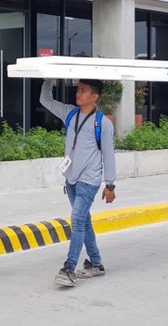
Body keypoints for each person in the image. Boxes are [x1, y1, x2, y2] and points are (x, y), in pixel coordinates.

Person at [40, 78, 116, 287]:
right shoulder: (70, 113)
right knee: (84, 221)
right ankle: (96, 264)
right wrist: (48, 81)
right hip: (71, 179)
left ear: (95, 96)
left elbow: (109, 155)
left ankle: (69, 268)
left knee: (77, 221)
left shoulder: (103, 124)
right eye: (78, 90)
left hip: (88, 182)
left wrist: (110, 185)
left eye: (83, 91)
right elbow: (45, 100)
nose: (78, 94)